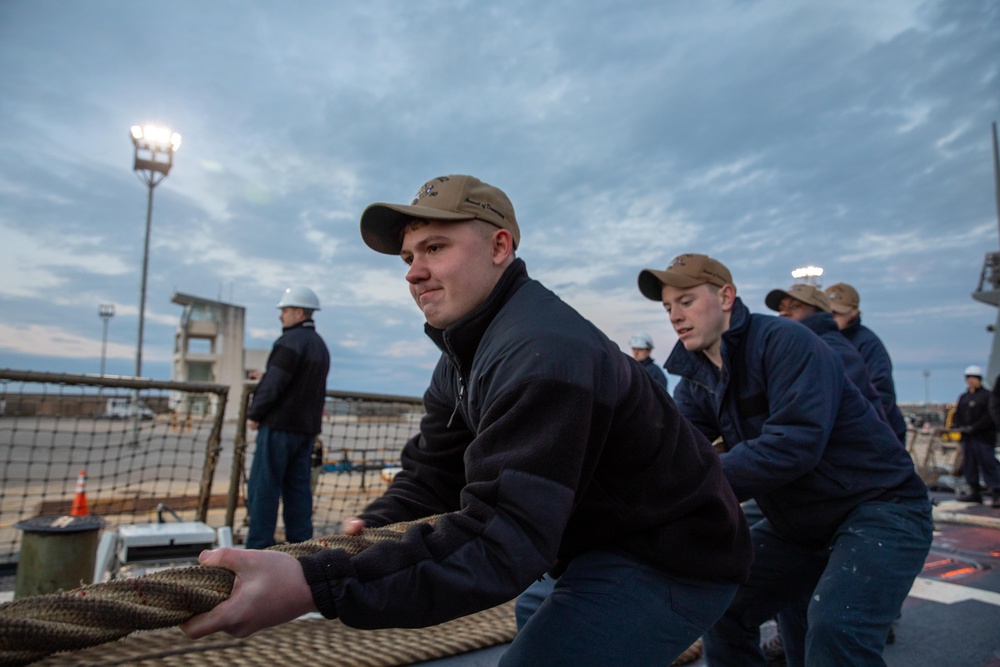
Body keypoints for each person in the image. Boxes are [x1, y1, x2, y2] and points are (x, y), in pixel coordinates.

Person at [182, 175, 753, 666]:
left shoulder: (544, 353)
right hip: (593, 542)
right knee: (538, 616)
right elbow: (433, 472)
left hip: (670, 557)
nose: (413, 272)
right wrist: (365, 531)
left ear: (499, 245)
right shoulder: (467, 353)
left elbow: (501, 539)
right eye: (409, 258)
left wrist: (315, 584)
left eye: (434, 248)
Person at [639, 253, 933, 666]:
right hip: (800, 523)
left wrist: (689, 486)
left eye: (686, 301)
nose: (674, 316)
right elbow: (675, 455)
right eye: (668, 306)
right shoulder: (696, 377)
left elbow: (793, 444)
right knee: (723, 605)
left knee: (836, 628)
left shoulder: (785, 342)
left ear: (726, 296)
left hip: (880, 508)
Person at [244, 286, 331, 549]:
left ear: (298, 311)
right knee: (298, 491)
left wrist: (255, 413)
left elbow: (276, 382)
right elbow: (298, 380)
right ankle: (301, 549)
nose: (281, 316)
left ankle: (258, 549)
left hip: (279, 428)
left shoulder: (289, 342)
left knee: (264, 490)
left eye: (284, 310)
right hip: (306, 430)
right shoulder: (319, 346)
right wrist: (268, 375)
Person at [765, 283, 884, 417]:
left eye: (795, 306)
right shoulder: (797, 346)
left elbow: (816, 412)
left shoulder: (834, 349)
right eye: (781, 308)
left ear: (817, 312)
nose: (784, 313)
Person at [824, 282, 909, 445]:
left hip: (875, 435)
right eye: (827, 312)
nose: (831, 317)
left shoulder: (867, 343)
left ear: (854, 311)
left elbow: (881, 392)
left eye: (837, 313)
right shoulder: (825, 341)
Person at [951, 365, 1000, 507]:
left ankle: (997, 492)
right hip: (968, 438)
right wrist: (960, 427)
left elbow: (990, 415)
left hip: (983, 437)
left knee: (988, 464)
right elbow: (958, 414)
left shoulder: (987, 396)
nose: (970, 381)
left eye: (973, 378)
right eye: (968, 379)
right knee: (969, 465)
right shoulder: (964, 397)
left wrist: (974, 427)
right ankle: (974, 492)